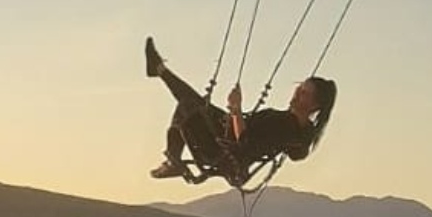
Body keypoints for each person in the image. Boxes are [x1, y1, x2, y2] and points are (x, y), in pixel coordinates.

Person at [144, 36, 337, 184]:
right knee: (194, 102)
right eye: (299, 87)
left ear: (314, 105)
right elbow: (297, 154)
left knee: (187, 105)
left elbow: (244, 142)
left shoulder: (285, 125)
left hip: (221, 151)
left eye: (304, 92)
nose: (296, 92)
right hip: (227, 141)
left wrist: (236, 110)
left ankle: (173, 159)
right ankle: (159, 70)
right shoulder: (300, 131)